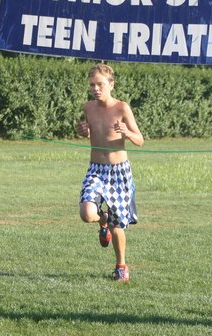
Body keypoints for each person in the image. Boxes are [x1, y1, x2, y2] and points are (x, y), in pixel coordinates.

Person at [75, 63, 144, 282]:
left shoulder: (122, 108)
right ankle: (101, 219)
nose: (96, 89)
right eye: (92, 85)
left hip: (119, 173)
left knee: (118, 225)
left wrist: (127, 132)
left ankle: (121, 266)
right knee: (87, 214)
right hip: (96, 169)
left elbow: (140, 140)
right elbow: (89, 133)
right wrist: (82, 131)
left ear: (111, 84)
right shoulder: (88, 108)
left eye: (100, 84)